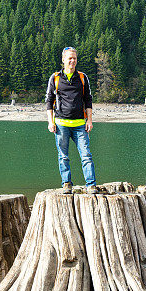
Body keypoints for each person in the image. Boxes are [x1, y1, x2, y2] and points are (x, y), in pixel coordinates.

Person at [45, 47, 97, 194]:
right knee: (63, 156)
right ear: (63, 59)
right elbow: (49, 101)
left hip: (81, 124)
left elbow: (88, 99)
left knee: (86, 155)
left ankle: (91, 185)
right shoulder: (55, 78)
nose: (72, 61)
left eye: (74, 58)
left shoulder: (82, 77)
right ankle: (67, 184)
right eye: (69, 58)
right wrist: (50, 122)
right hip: (61, 125)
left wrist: (90, 120)